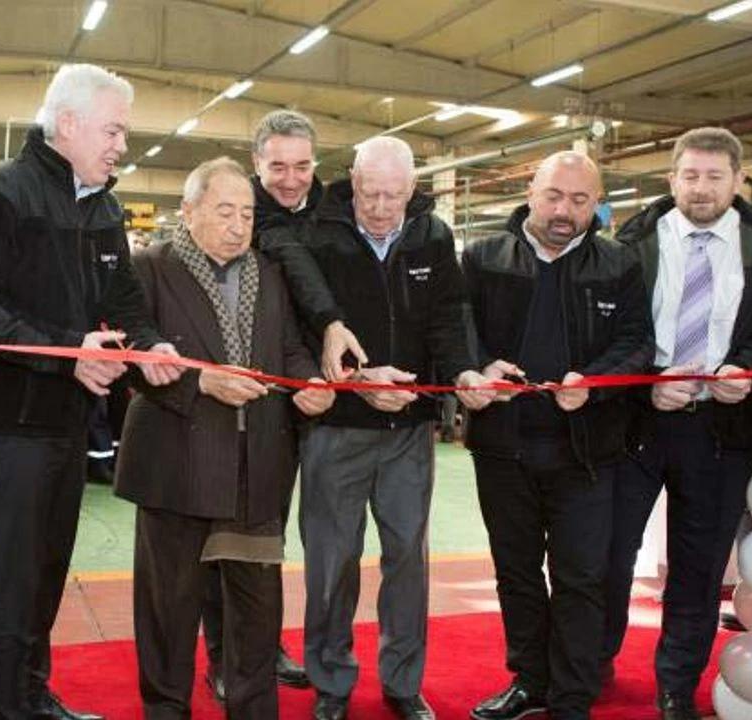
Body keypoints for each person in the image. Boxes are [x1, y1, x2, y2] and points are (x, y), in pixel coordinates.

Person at [0, 63, 183, 720]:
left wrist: (149, 344)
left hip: (67, 423)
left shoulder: (102, 207)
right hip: (10, 425)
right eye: (114, 130)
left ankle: (30, 693)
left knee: (47, 574)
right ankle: (5, 707)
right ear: (67, 124)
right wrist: (63, 353)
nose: (121, 145)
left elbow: (123, 299)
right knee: (13, 584)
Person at [117, 156, 334, 720]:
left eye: (247, 213)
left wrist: (309, 384)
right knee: (169, 610)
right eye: (224, 211)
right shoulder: (148, 268)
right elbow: (133, 358)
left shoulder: (269, 273)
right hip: (175, 466)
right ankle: (165, 709)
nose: (239, 225)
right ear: (188, 212)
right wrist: (199, 382)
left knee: (257, 611)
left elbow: (288, 349)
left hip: (255, 467)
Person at [603, 128, 752, 720]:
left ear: (737, 181)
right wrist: (650, 378)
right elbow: (618, 330)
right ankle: (591, 665)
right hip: (639, 423)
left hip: (724, 429)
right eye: (690, 176)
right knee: (609, 554)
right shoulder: (633, 239)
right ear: (671, 178)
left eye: (715, 177)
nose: (701, 188)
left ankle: (675, 685)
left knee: (698, 564)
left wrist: (751, 367)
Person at [462, 151, 653, 720]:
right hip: (503, 447)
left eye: (580, 200)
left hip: (587, 453)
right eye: (553, 196)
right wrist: (476, 366)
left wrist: (594, 383)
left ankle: (572, 697)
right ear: (530, 189)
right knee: (515, 572)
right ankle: (530, 681)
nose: (564, 210)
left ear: (598, 202)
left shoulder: (619, 262)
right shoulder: (483, 257)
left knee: (581, 578)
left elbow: (638, 341)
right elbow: (456, 329)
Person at [298, 136, 484, 720]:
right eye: (369, 192)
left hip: (409, 432)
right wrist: (353, 381)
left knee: (407, 558)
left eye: (393, 195)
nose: (380, 206)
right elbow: (305, 326)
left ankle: (403, 682)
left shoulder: (433, 234)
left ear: (412, 187)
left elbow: (448, 318)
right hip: (337, 428)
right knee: (332, 560)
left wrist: (461, 373)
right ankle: (331, 680)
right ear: (351, 180)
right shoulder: (317, 232)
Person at [202, 109, 368, 702]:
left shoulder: (334, 213)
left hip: (312, 398)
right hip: (241, 397)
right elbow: (289, 258)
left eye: (302, 166)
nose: (291, 179)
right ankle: (224, 656)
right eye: (277, 166)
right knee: (225, 535)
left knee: (268, 537)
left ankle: (262, 646)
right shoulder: (247, 214)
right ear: (256, 164)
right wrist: (329, 320)